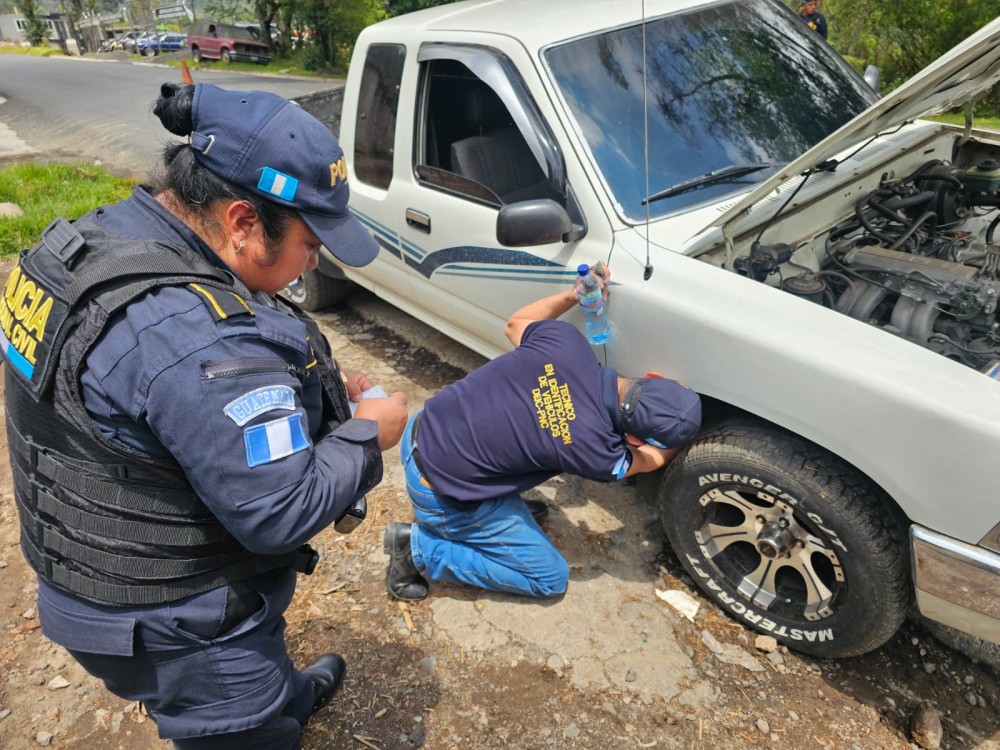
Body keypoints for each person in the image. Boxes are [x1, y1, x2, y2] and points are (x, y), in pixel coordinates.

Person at [0, 82, 409, 749]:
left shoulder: (100, 241)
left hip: (90, 564)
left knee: (267, 686)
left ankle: (284, 699)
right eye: (311, 244)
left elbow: (152, 404)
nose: (315, 262)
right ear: (243, 222)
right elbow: (280, 511)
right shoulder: (194, 337)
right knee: (240, 731)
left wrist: (314, 386)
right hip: (175, 622)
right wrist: (370, 432)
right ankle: (260, 722)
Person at [383, 266, 701, 601]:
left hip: (423, 427)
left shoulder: (566, 342)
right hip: (439, 490)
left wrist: (572, 295)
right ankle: (416, 548)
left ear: (649, 376)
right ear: (634, 438)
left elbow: (514, 324)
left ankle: (502, 509)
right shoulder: (601, 453)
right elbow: (649, 461)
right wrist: (683, 443)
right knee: (549, 578)